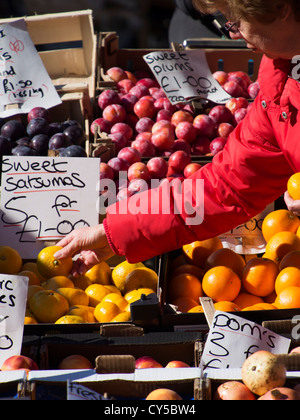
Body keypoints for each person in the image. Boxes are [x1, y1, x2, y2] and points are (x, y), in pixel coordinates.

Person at [54, 0, 300, 276]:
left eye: (235, 21)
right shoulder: (281, 80)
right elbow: (227, 186)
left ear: (281, 8)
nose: (232, 34)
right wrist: (115, 231)